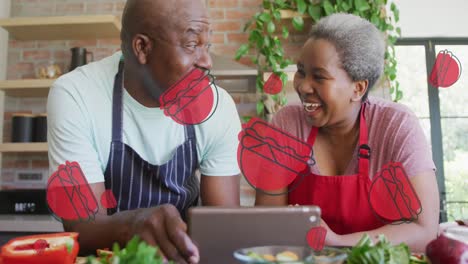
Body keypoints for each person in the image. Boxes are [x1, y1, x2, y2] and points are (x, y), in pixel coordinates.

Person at [47, 0, 241, 262]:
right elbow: (81, 225)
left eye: (207, 46)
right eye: (192, 45)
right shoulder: (77, 94)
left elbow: (225, 227)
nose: (206, 61)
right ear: (142, 47)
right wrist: (132, 225)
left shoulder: (218, 106)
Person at [255, 13, 440, 252]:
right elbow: (267, 224)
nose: (302, 85)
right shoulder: (288, 124)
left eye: (319, 76)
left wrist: (338, 242)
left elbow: (424, 230)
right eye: (301, 71)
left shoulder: (396, 126)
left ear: (358, 88)